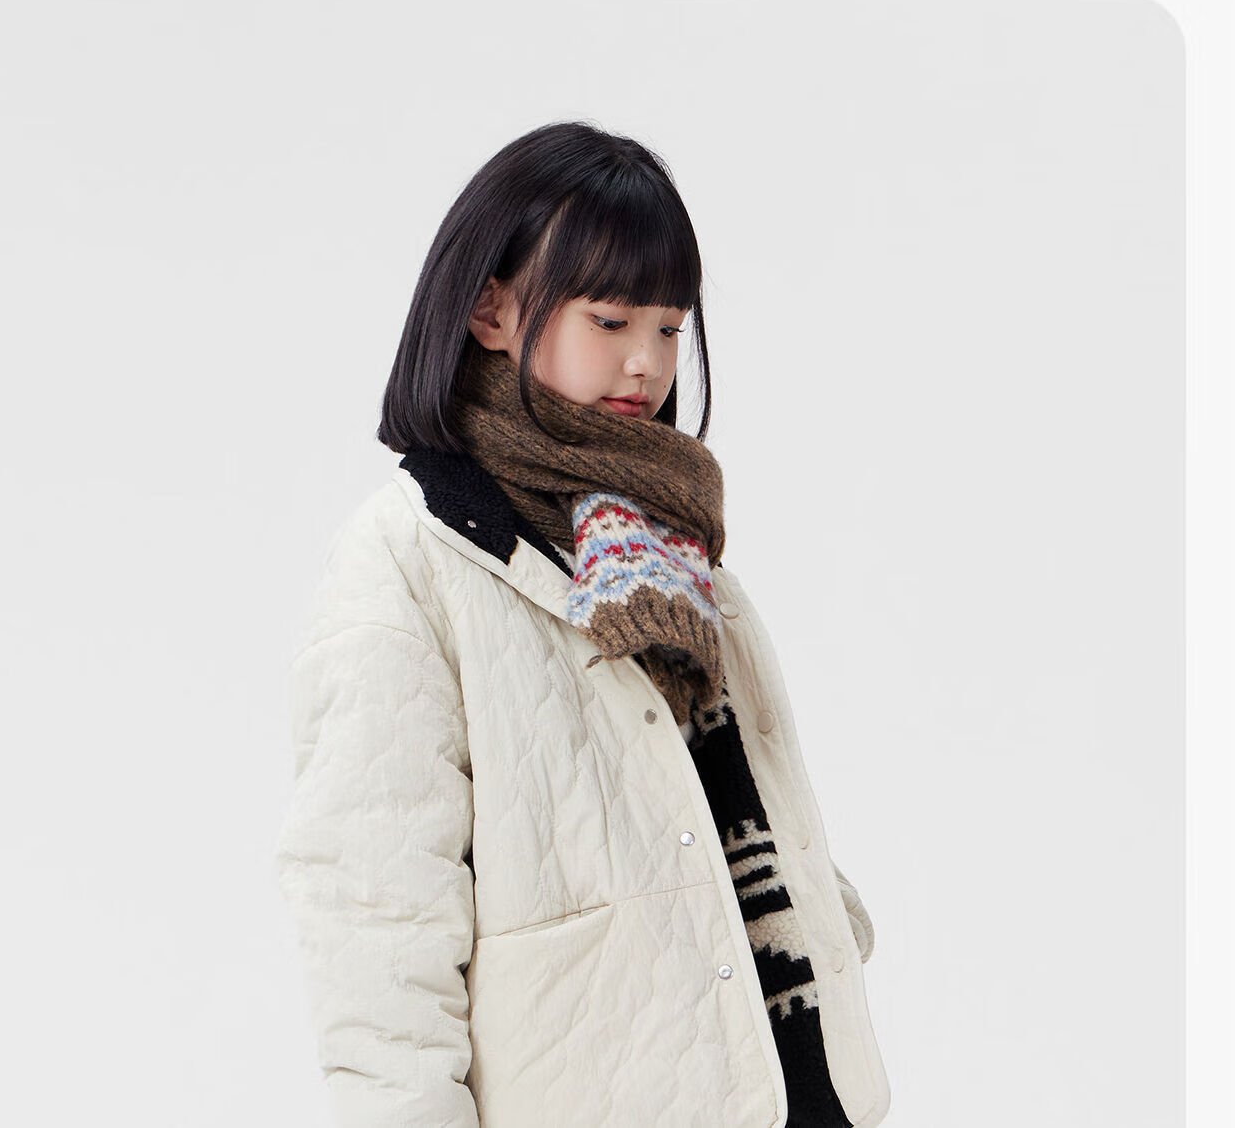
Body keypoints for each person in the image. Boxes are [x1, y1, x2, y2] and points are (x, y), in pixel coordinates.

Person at [272, 120, 890, 1128]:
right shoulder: (410, 559)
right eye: (610, 321)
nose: (646, 362)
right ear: (491, 311)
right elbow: (374, 919)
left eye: (671, 327)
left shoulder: (673, 546)